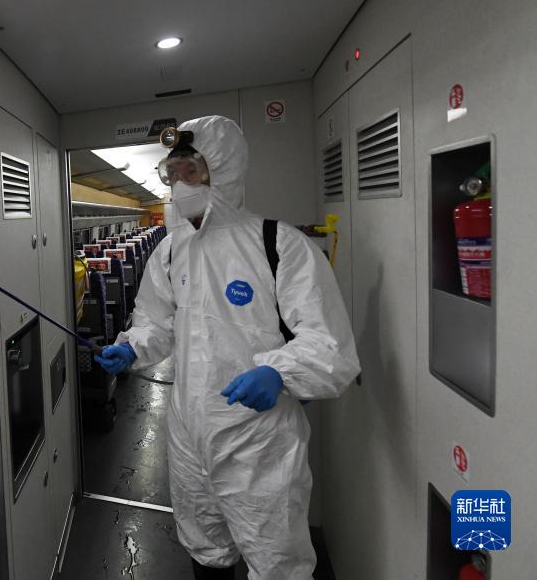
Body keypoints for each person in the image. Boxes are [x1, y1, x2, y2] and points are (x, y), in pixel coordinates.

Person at [94, 116, 360, 579]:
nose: (180, 184)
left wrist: (279, 372)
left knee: (275, 559)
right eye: (172, 173)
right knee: (205, 549)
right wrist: (133, 347)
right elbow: (156, 321)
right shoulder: (171, 251)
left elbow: (329, 344)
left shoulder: (279, 245)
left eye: (191, 170)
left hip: (258, 441)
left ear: (224, 170)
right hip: (188, 433)